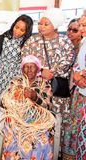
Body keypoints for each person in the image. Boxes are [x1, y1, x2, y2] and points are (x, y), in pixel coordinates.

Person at [21, 8, 74, 159]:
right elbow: (25, 58)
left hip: (56, 91)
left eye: (46, 24)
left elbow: (68, 59)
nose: (41, 26)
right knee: (36, 119)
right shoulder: (33, 40)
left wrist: (51, 72)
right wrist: (41, 70)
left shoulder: (65, 42)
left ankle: (53, 152)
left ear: (55, 25)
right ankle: (34, 152)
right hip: (36, 89)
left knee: (55, 122)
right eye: (40, 23)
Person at [0, 55, 53, 159]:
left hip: (37, 121)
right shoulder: (16, 82)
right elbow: (3, 101)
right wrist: (14, 99)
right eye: (26, 66)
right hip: (16, 119)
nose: (29, 69)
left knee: (39, 139)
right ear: (22, 69)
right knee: (12, 134)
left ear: (37, 68)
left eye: (32, 66)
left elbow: (48, 105)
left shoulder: (43, 84)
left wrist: (35, 97)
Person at [0, 15, 33, 140]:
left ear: (27, 32)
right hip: (0, 78)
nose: (17, 31)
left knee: (13, 108)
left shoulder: (27, 43)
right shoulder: (2, 38)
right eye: (16, 27)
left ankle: (9, 139)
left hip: (16, 81)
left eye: (22, 30)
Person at [63, 15, 86, 159]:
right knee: (75, 130)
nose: (81, 30)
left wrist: (81, 74)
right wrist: (78, 75)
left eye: (76, 29)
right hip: (79, 93)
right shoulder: (83, 43)